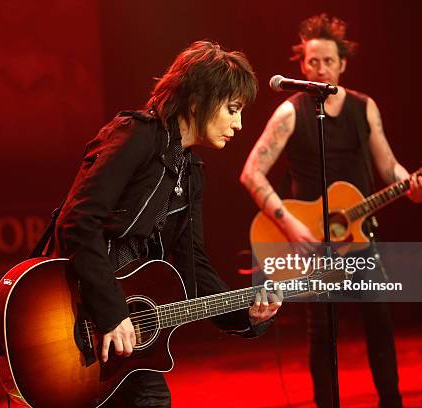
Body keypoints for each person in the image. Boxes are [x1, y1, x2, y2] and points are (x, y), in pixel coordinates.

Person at [55, 41, 281, 407]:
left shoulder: (190, 173)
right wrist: (110, 312)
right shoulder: (136, 135)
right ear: (197, 100)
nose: (239, 125)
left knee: (152, 398)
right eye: (232, 109)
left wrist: (246, 315)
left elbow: (194, 262)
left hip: (128, 327)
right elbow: (78, 222)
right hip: (76, 312)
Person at [240, 14, 422, 408]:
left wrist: (410, 183)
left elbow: (389, 166)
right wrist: (291, 225)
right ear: (302, 64)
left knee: (380, 325)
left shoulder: (365, 108)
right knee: (322, 334)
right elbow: (252, 172)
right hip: (311, 244)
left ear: (342, 64)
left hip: (360, 239)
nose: (320, 68)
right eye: (313, 62)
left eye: (328, 61)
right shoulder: (290, 112)